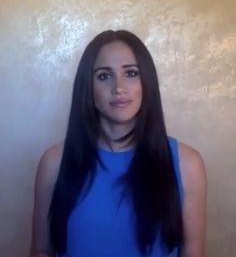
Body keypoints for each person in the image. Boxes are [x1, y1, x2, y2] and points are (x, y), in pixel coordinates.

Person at [30, 30, 207, 257]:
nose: (119, 87)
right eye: (104, 76)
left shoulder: (187, 164)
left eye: (131, 73)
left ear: (147, 82)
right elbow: (42, 251)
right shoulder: (54, 162)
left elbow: (192, 252)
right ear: (88, 87)